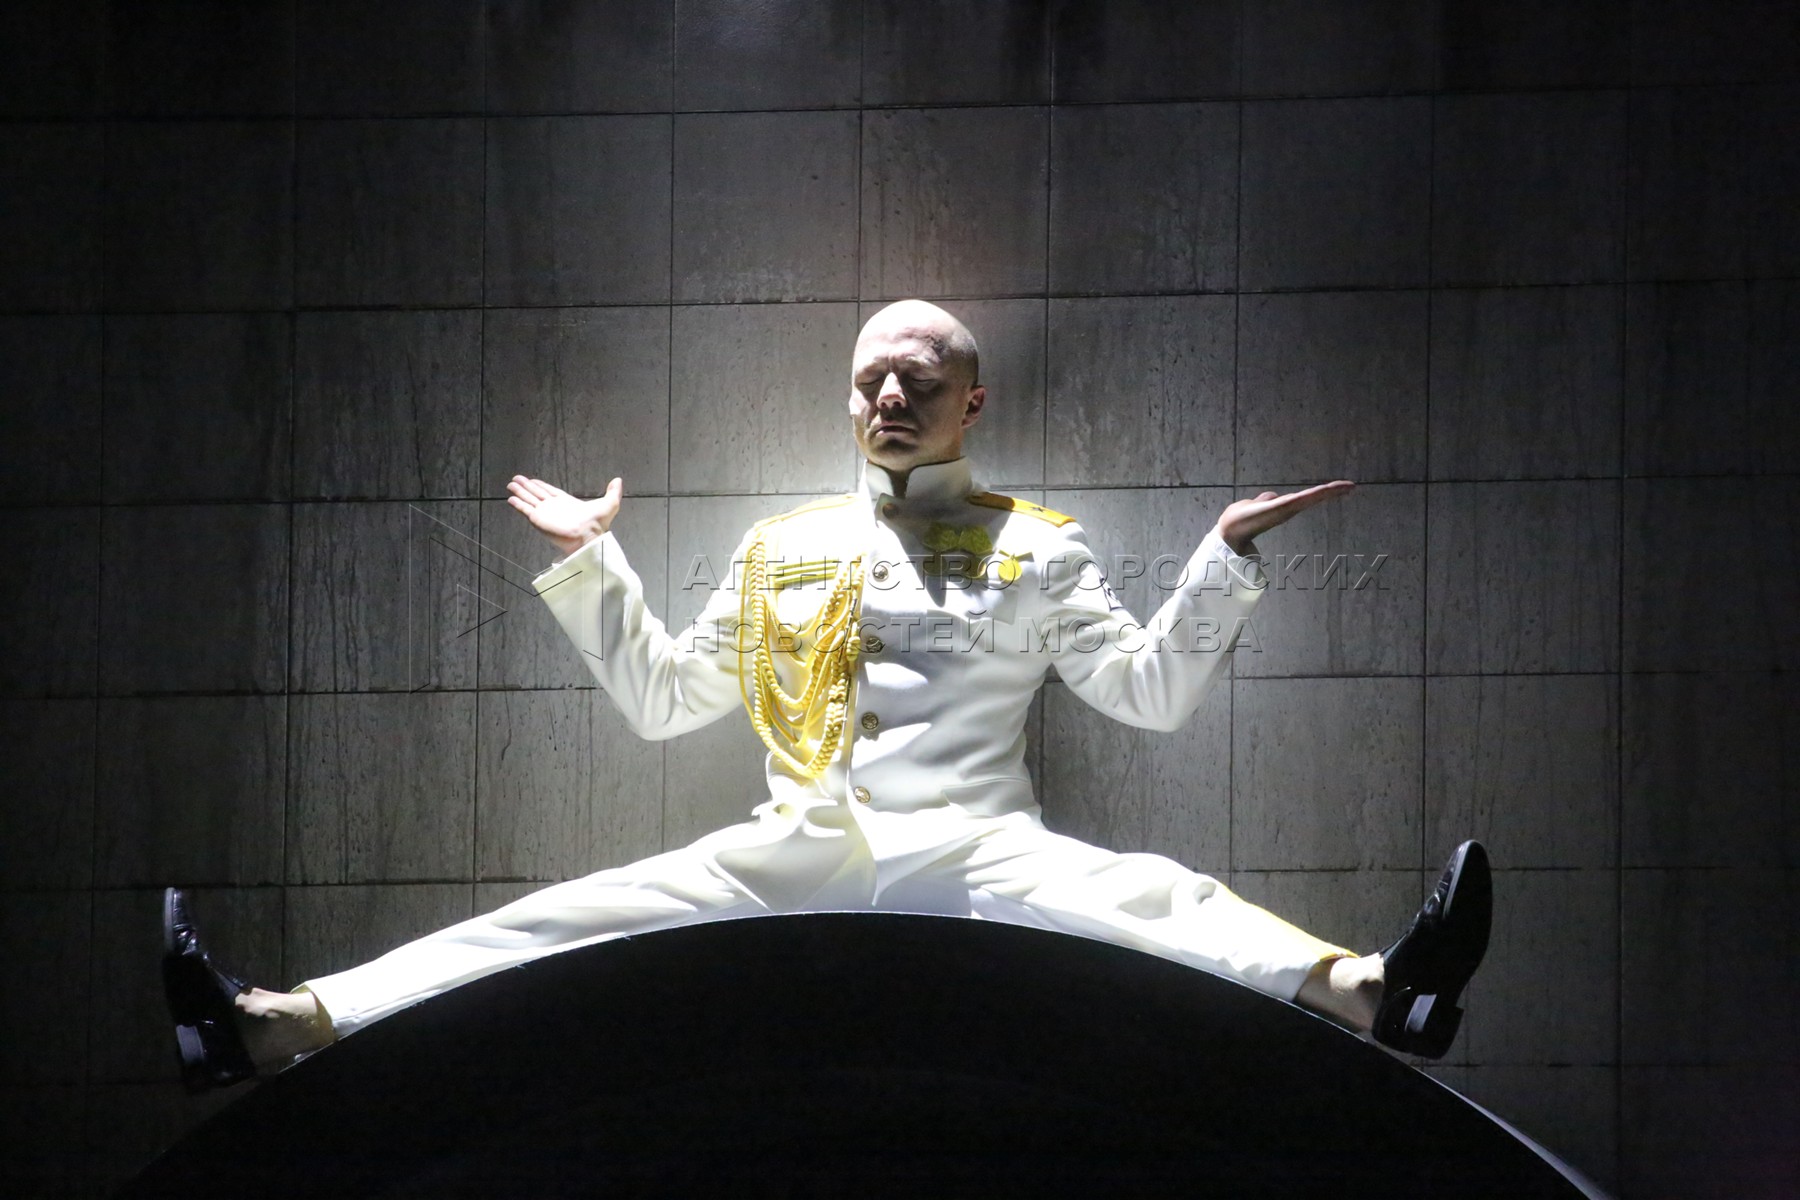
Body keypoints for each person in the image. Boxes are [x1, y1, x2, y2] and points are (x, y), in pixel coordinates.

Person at [163, 300, 1490, 1092]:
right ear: (851, 400)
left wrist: (1223, 556)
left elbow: (1145, 695)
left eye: (920, 379)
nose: (891, 394)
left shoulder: (1040, 546)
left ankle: (1376, 990)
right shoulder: (779, 546)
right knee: (558, 920)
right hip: (790, 851)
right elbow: (666, 701)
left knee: (1155, 896)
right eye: (871, 379)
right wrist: (593, 564)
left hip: (977, 850)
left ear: (972, 401)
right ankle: (278, 1025)